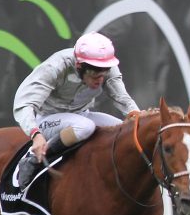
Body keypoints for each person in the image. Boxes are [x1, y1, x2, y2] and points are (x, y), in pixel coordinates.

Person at [14, 31, 140, 187]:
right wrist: (36, 135)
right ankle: (33, 160)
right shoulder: (55, 67)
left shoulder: (106, 67)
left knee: (123, 130)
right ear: (79, 66)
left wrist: (136, 114)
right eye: (94, 74)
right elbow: (23, 104)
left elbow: (122, 98)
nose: (100, 79)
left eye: (104, 72)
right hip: (47, 119)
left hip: (81, 115)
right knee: (84, 127)